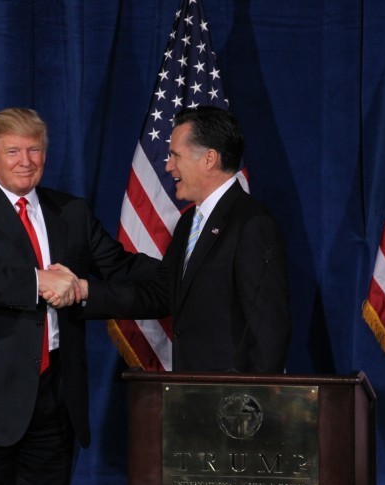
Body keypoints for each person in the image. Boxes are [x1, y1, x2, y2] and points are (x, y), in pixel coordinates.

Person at [0, 107, 159, 485]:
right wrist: (39, 281)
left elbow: (120, 267)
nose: (26, 161)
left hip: (55, 400)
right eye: (13, 151)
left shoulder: (71, 211)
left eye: (34, 150)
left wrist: (183, 270)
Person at [87, 106, 291, 372]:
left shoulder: (251, 225)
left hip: (229, 401)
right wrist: (84, 292)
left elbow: (269, 331)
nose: (169, 166)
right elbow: (161, 295)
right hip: (191, 391)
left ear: (209, 159)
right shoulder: (188, 222)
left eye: (175, 155)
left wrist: (249, 406)